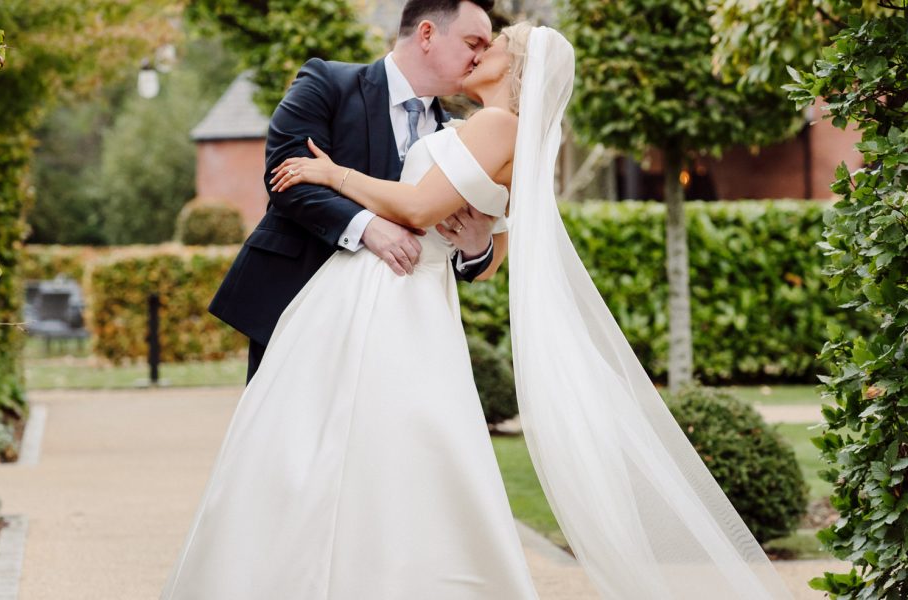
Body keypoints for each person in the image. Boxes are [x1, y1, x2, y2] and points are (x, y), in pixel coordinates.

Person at [165, 21, 795, 600]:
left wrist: (335, 175)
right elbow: (492, 250)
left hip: (394, 296)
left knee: (346, 442)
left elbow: (415, 209)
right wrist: (473, 243)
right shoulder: (501, 133)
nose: (479, 50)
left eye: (491, 45)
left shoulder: (496, 126)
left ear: (513, 67)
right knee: (384, 446)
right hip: (407, 296)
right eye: (476, 40)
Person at [206, 0, 504, 381]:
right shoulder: (326, 83)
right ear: (427, 34)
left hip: (401, 329)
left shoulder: (459, 135)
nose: (480, 57)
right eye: (473, 42)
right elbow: (287, 177)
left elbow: (454, 246)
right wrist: (368, 227)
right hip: (300, 302)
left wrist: (477, 246)